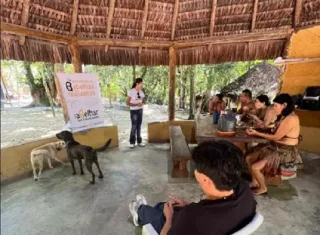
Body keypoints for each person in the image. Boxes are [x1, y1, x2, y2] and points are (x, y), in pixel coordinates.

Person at [129, 141, 257, 235]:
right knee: (165, 207)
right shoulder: (244, 191)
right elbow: (212, 212)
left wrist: (168, 219)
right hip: (206, 225)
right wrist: (189, 206)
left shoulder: (192, 216)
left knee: (159, 214)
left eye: (196, 168)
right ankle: (154, 210)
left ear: (206, 180)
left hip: (175, 227)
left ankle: (139, 212)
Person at [246, 93, 302, 196]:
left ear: (284, 105)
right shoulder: (284, 116)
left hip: (284, 150)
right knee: (249, 158)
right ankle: (255, 182)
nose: (274, 108)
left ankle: (263, 188)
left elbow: (276, 137)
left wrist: (256, 133)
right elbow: (274, 128)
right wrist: (264, 128)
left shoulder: (291, 118)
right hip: (275, 146)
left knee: (255, 167)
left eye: (276, 106)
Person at [126, 78, 145, 148]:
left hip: (140, 110)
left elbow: (143, 101)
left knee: (139, 126)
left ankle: (139, 141)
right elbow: (127, 103)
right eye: (141, 83)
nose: (142, 85)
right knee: (134, 126)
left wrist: (142, 103)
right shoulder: (131, 91)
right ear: (137, 83)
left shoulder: (141, 92)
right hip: (133, 111)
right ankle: (132, 142)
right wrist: (136, 105)